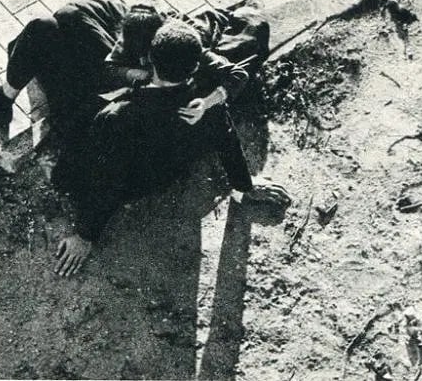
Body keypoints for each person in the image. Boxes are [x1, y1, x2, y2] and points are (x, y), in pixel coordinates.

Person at [53, 20, 290, 276]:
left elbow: (108, 180)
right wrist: (245, 185)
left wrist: (85, 235)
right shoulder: (206, 104)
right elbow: (227, 140)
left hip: (133, 184)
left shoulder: (119, 117)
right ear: (196, 65)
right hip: (163, 175)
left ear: (150, 60)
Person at [0, 0, 165, 149]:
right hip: (81, 63)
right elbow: (103, 72)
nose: (119, 47)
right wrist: (129, 73)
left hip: (93, 99)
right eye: (121, 41)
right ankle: (3, 99)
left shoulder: (163, 40)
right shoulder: (97, 34)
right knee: (41, 29)